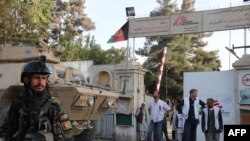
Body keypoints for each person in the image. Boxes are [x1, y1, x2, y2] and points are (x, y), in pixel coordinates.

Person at [0, 56, 75, 141]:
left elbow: (67, 138)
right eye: (36, 78)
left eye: (43, 78)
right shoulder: (18, 103)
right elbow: (6, 131)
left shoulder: (54, 106)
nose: (41, 83)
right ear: (26, 80)